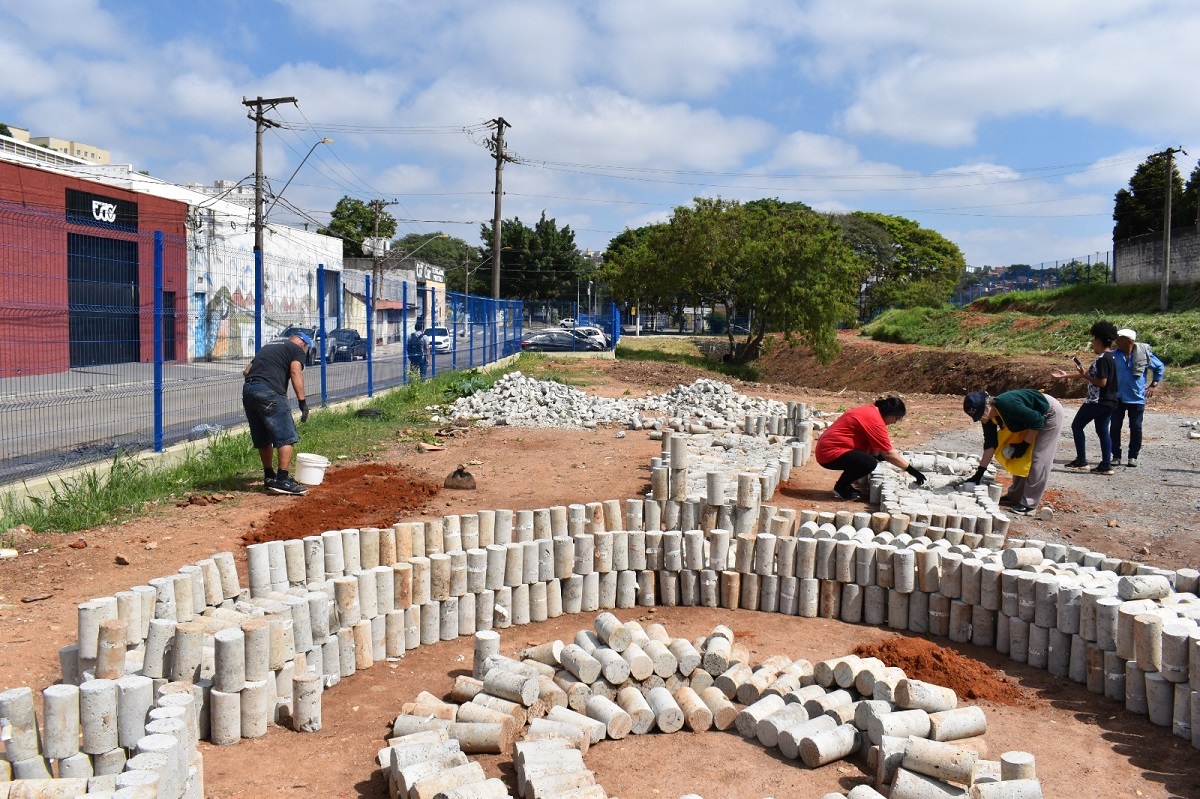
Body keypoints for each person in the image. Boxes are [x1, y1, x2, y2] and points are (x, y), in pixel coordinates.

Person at [962, 388, 1064, 514]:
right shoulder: (988, 418)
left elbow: (1037, 421)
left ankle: (1030, 504)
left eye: (980, 415)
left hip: (1048, 413)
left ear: (987, 407)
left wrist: (1025, 444)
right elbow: (990, 445)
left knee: (1039, 457)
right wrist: (979, 473)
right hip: (1030, 418)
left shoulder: (1008, 405)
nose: (980, 420)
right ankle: (1015, 496)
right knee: (1019, 457)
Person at [815, 396, 926, 500]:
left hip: (827, 449)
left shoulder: (870, 410)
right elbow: (888, 453)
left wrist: (879, 455)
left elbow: (877, 448)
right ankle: (841, 488)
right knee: (869, 462)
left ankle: (846, 485)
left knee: (870, 458)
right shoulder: (875, 420)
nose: (894, 422)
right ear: (891, 414)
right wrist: (912, 471)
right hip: (829, 454)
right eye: (896, 418)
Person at [242, 331, 311, 495]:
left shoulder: (269, 346)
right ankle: (282, 479)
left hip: (249, 391)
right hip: (269, 392)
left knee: (263, 436)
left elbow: (246, 371)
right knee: (286, 435)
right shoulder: (296, 350)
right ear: (303, 345)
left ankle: (269, 476)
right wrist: (302, 402)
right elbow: (295, 372)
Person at [1052, 320, 1120, 475]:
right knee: (1103, 431)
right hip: (1109, 401)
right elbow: (1090, 374)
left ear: (1099, 340)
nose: (1092, 344)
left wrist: (1085, 376)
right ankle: (1106, 465)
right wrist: (1066, 375)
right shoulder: (1111, 357)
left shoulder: (1102, 359)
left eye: (1094, 340)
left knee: (1077, 426)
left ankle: (1081, 461)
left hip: (1097, 401)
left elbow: (1102, 382)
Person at [1109, 327, 1165, 468]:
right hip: (1117, 396)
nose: (1117, 341)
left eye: (1120, 339)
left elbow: (1159, 367)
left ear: (1129, 341)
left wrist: (1153, 384)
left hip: (1136, 397)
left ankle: (1133, 456)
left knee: (1135, 427)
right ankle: (1115, 455)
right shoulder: (1114, 355)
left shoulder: (1143, 355)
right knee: (1115, 426)